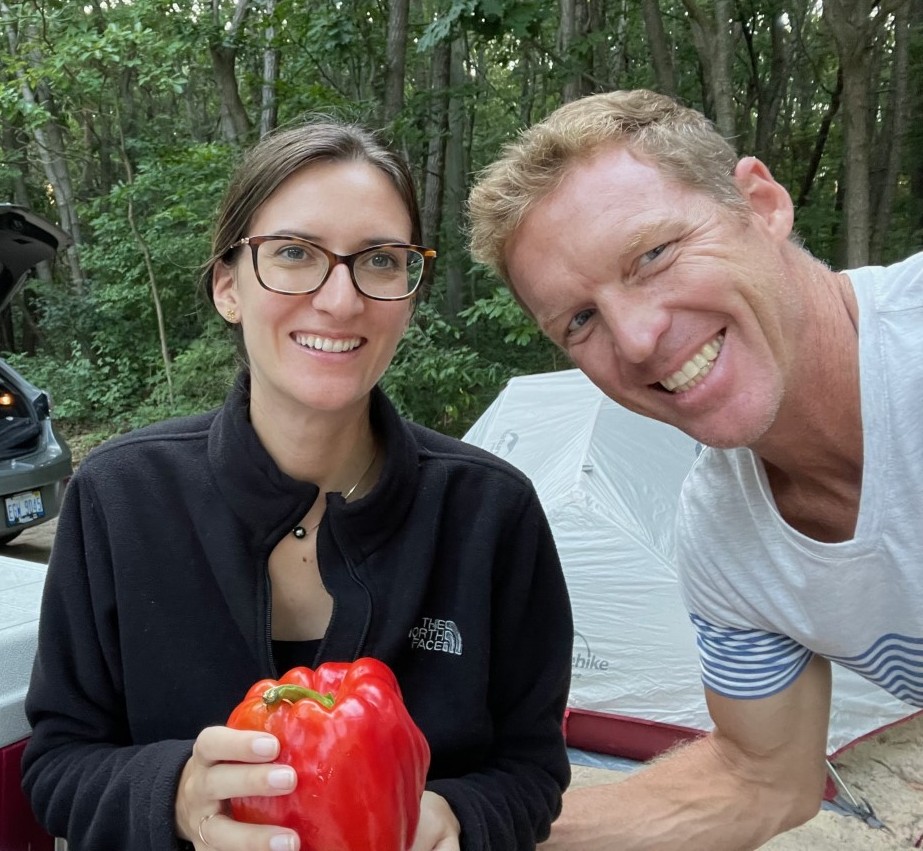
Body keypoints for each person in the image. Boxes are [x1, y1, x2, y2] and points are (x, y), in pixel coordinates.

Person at [22, 120, 573, 851]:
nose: (340, 300)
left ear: (408, 295)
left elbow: (533, 770)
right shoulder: (120, 497)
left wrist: (454, 817)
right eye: (293, 252)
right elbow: (58, 764)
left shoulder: (490, 513)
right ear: (228, 287)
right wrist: (176, 797)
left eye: (380, 260)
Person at [467, 88, 923, 849]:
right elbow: (759, 777)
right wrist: (457, 829)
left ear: (761, 205)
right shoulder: (723, 535)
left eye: (653, 255)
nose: (637, 339)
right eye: (580, 319)